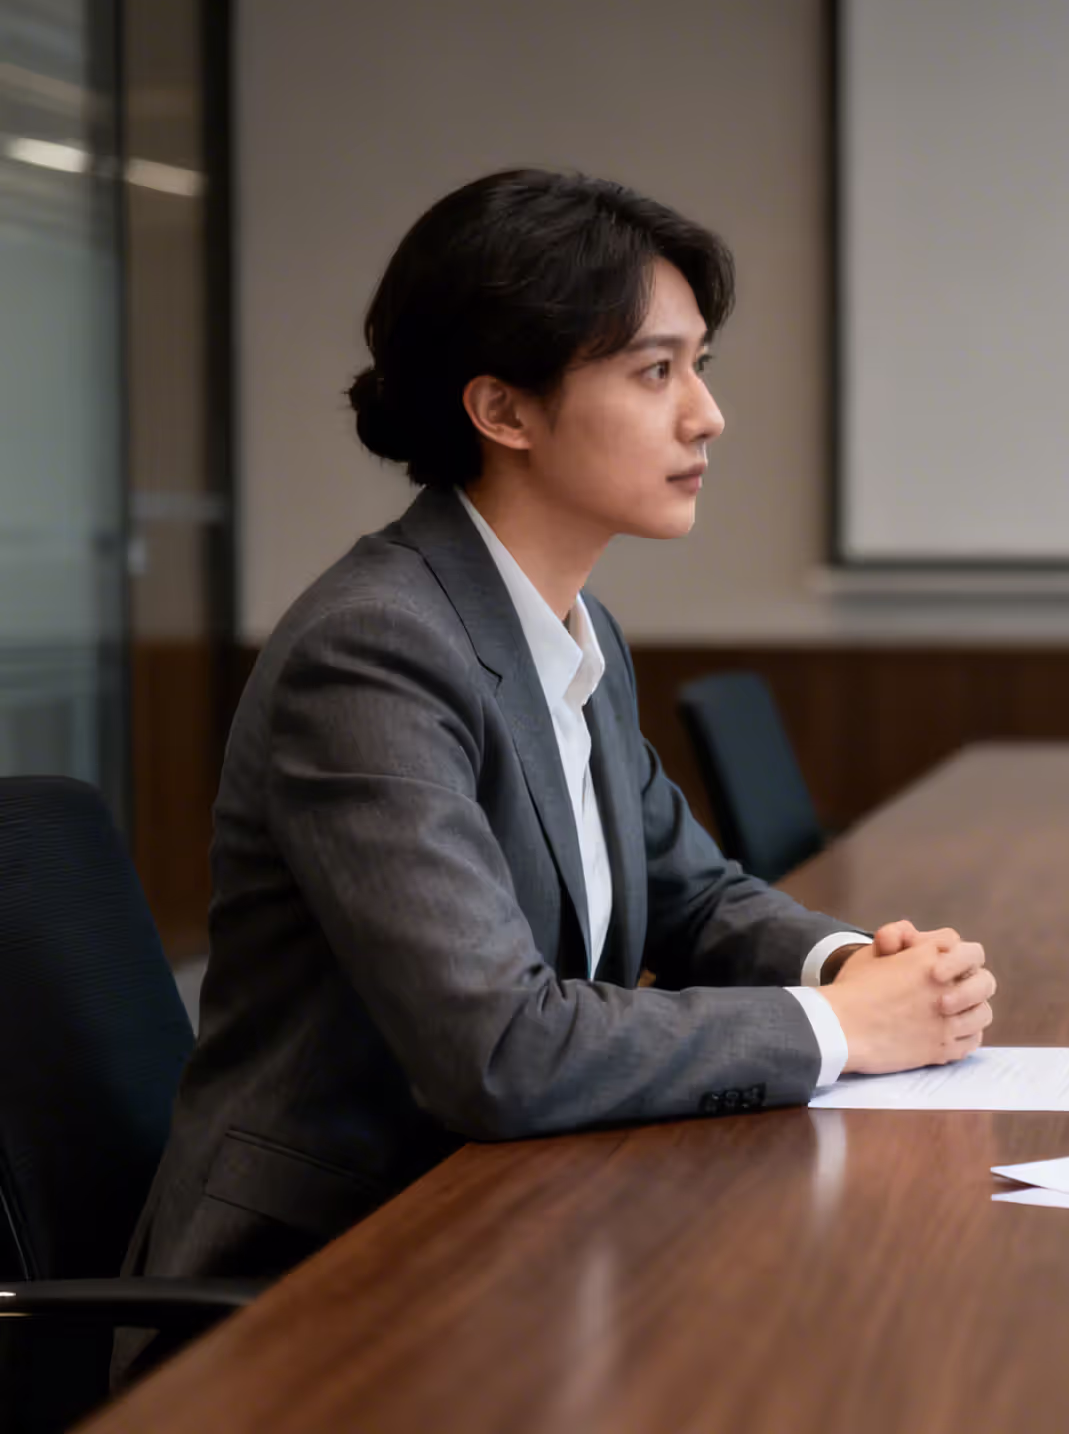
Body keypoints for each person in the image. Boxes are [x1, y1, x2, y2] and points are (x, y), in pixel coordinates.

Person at [127, 170, 997, 1292]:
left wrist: (858, 964)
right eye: (654, 372)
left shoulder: (566, 629)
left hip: (507, 1225)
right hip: (325, 1279)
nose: (706, 414)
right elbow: (499, 1049)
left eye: (698, 366)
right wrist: (840, 1030)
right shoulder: (374, 652)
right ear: (502, 411)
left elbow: (691, 896)